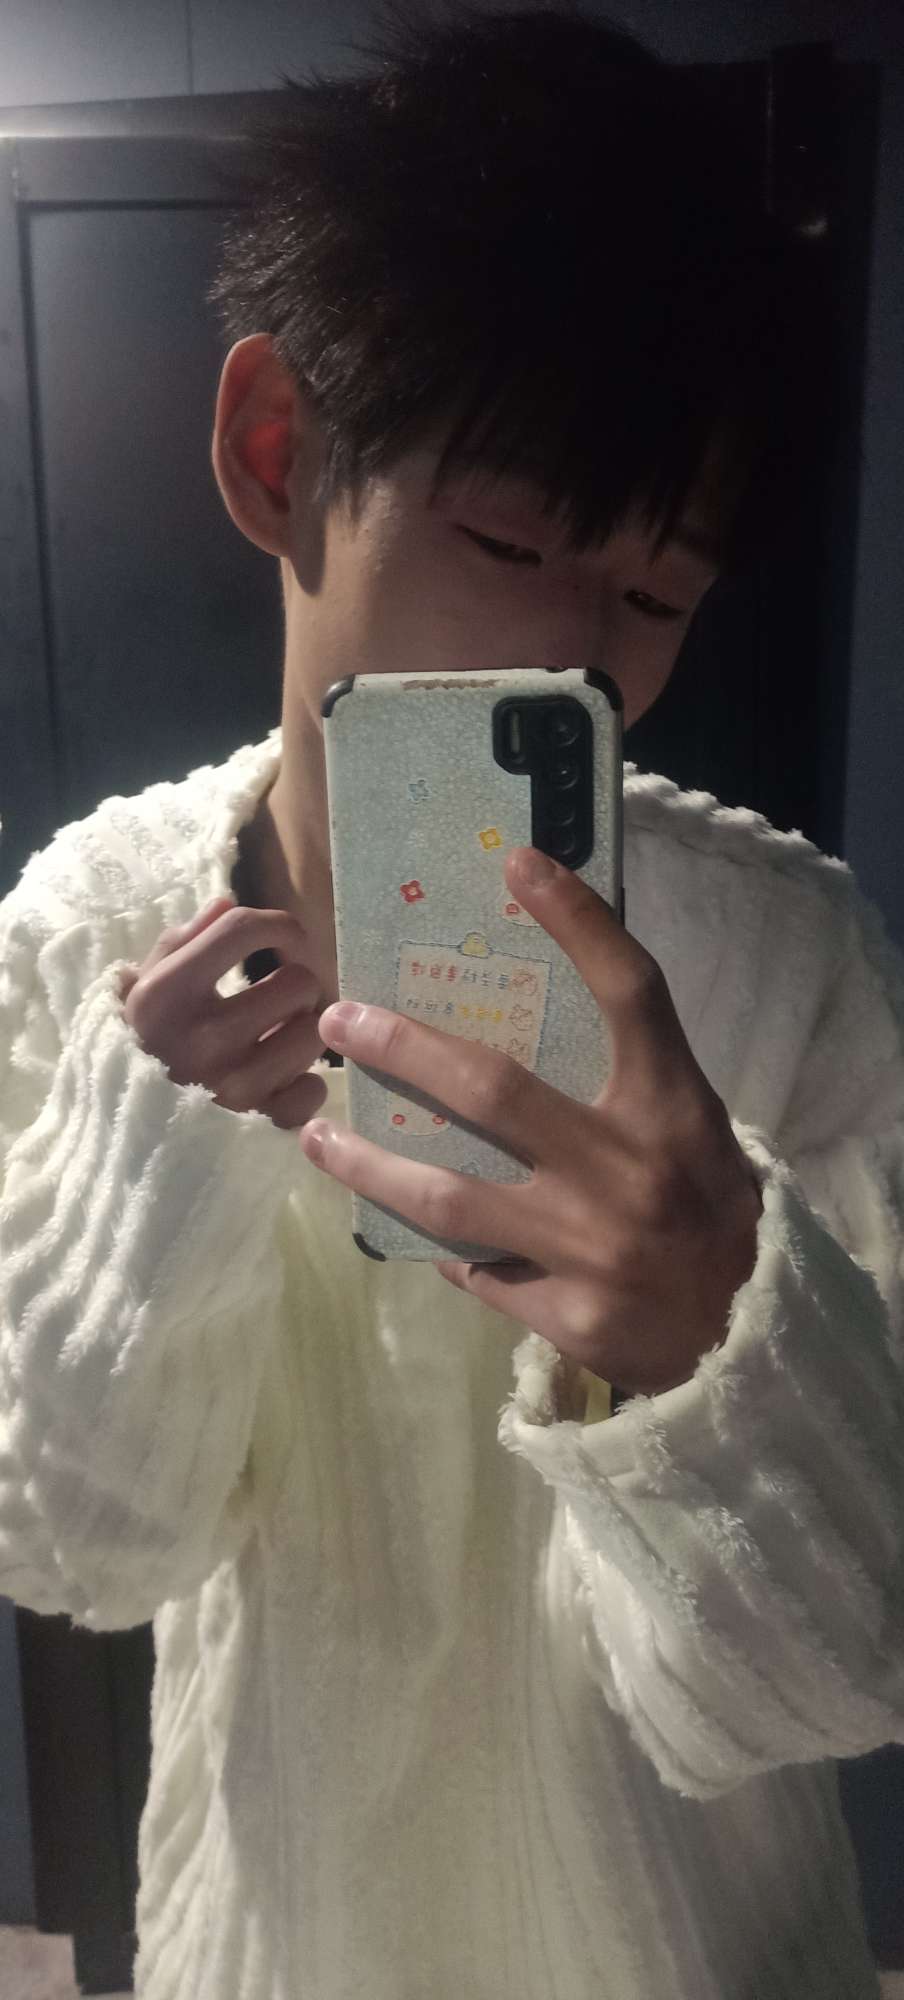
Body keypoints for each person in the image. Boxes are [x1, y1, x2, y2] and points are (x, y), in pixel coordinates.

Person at [1, 9, 902, 1997]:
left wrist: (712, 1339)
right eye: (509, 539)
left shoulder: (790, 965)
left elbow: (841, 1680)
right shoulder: (87, 937)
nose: (580, 657)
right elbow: (75, 1553)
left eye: (654, 593)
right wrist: (154, 1164)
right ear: (275, 453)